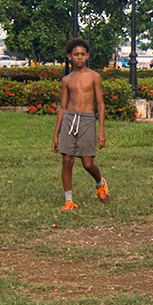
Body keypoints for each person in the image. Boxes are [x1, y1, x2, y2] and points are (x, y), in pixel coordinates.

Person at [51, 38, 109, 210]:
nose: (79, 58)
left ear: (88, 56)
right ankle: (68, 200)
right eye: (76, 54)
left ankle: (100, 183)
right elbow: (62, 106)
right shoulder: (67, 80)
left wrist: (102, 130)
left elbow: (100, 104)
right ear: (69, 56)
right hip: (70, 118)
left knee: (87, 163)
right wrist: (56, 134)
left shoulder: (94, 77)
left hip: (87, 120)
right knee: (67, 160)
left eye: (83, 54)